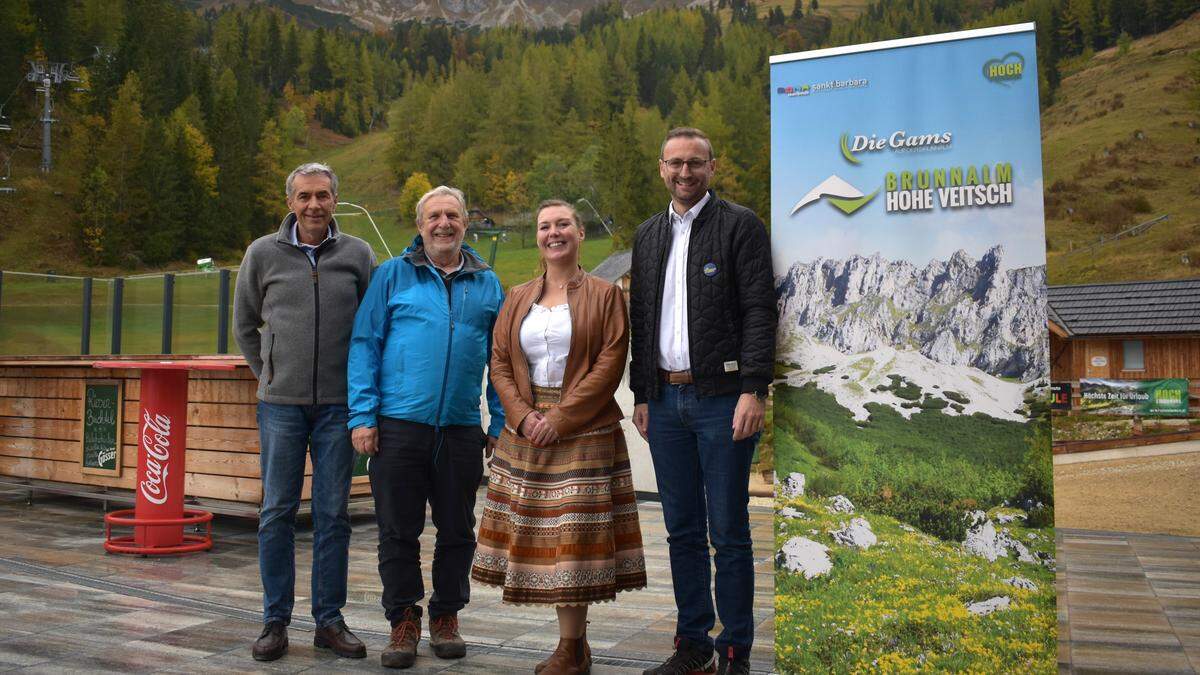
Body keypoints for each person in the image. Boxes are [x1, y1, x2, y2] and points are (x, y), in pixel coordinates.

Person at [473, 200, 647, 675]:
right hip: (525, 430)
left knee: (573, 544)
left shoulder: (606, 294)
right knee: (539, 541)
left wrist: (562, 417)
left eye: (563, 224)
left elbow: (610, 363)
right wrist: (524, 415)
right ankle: (577, 646)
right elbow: (501, 361)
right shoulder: (518, 294)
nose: (554, 233)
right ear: (538, 236)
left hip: (585, 429)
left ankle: (570, 648)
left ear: (580, 233)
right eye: (545, 226)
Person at [629, 128, 776, 675]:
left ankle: (735, 648)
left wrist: (753, 388)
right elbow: (641, 319)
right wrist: (642, 392)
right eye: (675, 163)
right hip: (665, 401)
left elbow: (761, 309)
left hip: (722, 401)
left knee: (730, 531)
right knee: (682, 530)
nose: (685, 172)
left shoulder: (741, 225)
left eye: (695, 163)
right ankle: (693, 644)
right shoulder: (647, 235)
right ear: (661, 167)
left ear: (712, 167)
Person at [347, 185, 505, 669]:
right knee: (398, 530)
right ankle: (403, 620)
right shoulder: (393, 276)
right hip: (398, 426)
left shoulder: (487, 283)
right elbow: (364, 345)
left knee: (458, 529)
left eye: (452, 215)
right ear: (420, 226)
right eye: (433, 216)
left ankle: (446, 616)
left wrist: (498, 420)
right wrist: (362, 415)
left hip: (459, 427)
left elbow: (501, 362)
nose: (443, 223)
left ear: (465, 223)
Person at [234, 162, 375, 662]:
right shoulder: (262, 254)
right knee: (276, 513)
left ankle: (329, 620)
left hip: (340, 407)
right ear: (290, 202)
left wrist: (363, 395)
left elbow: (372, 327)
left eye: (323, 195)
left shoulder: (358, 254)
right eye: (304, 196)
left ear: (335, 199)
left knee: (334, 515)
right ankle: (275, 621)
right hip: (281, 408)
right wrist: (268, 375)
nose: (314, 204)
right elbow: (245, 325)